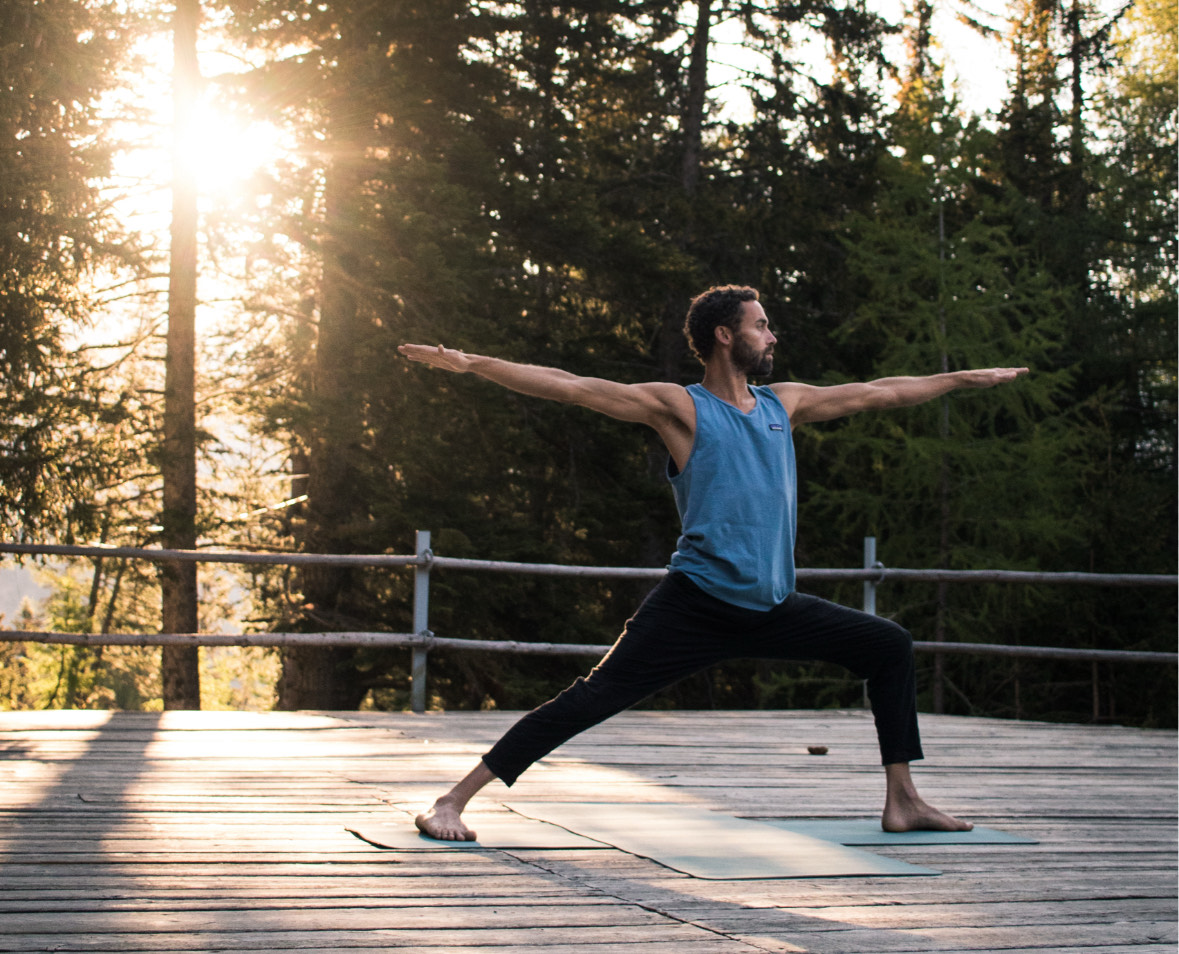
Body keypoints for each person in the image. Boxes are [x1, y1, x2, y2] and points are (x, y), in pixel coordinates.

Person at [398, 284, 1028, 841]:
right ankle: (451, 800)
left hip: (774, 605)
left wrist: (960, 380)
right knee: (590, 699)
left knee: (888, 645)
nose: (771, 334)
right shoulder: (683, 408)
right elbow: (573, 387)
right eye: (760, 325)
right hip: (696, 604)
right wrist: (470, 363)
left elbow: (877, 393)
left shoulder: (786, 404)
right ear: (726, 336)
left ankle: (903, 800)